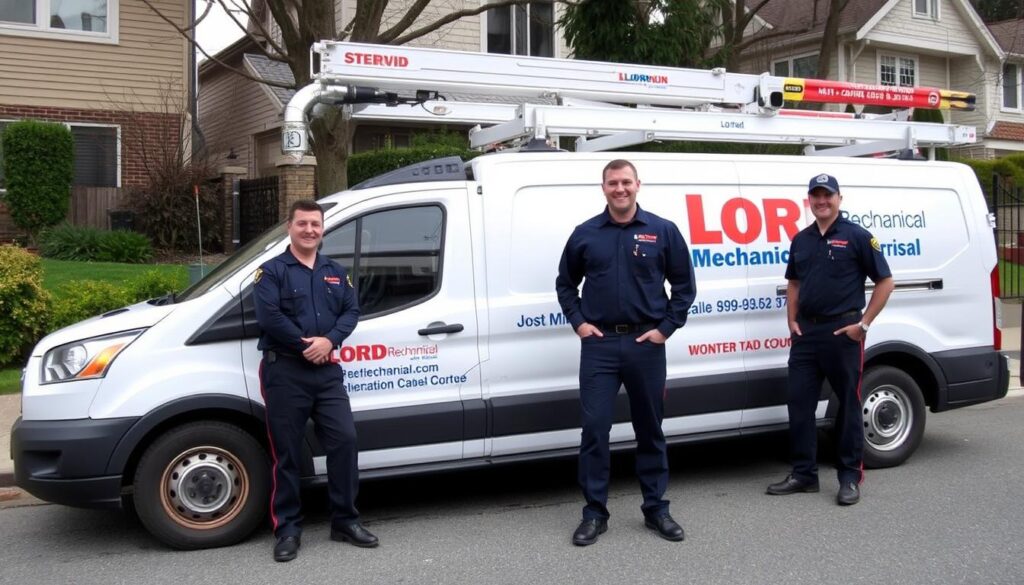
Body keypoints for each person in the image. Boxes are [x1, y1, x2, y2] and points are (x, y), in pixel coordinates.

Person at [556, 159, 697, 546]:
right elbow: (565, 284)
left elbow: (685, 286)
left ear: (638, 185)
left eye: (626, 182)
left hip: (645, 346)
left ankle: (656, 510)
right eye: (613, 183)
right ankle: (594, 514)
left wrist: (666, 329)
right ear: (603, 187)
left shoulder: (662, 231)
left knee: (650, 430)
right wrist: (579, 323)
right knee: (595, 431)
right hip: (599, 347)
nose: (620, 189)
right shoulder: (585, 234)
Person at [253, 199, 378, 562]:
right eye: (303, 223)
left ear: (323, 229)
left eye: (316, 224)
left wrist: (329, 341)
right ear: (289, 227)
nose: (310, 230)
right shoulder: (271, 272)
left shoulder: (336, 272)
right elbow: (269, 316)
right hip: (285, 371)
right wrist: (305, 345)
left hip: (326, 372)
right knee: (287, 452)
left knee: (345, 441)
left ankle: (345, 521)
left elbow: (351, 311)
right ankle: (288, 529)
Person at [766, 173, 894, 506]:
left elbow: (885, 283)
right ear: (809, 199)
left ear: (839, 198)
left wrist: (863, 325)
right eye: (816, 196)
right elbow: (793, 282)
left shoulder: (857, 237)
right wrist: (791, 319)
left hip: (843, 333)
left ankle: (849, 477)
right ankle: (804, 474)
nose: (821, 201)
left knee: (849, 407)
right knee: (799, 405)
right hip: (807, 334)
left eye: (828, 195)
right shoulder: (802, 239)